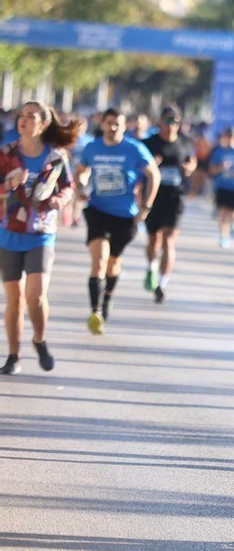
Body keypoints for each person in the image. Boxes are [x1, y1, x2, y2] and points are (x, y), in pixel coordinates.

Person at [0, 103, 83, 375]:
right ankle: (14, 356)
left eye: (31, 116)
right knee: (14, 300)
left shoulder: (56, 157)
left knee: (35, 297)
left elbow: (68, 187)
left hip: (41, 233)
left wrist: (59, 200)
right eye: (21, 116)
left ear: (43, 124)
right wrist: (8, 184)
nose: (23, 120)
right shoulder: (7, 153)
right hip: (9, 232)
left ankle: (40, 339)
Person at [75, 108, 160, 333]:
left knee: (113, 265)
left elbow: (154, 174)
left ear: (124, 127)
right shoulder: (93, 148)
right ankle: (96, 311)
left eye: (117, 124)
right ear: (102, 124)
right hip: (98, 211)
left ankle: (107, 297)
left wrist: (146, 206)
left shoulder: (134, 149)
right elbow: (81, 170)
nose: (112, 128)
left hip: (124, 215)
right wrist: (81, 186)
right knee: (99, 261)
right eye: (109, 123)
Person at [141, 106, 197, 304]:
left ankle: (162, 284)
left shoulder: (185, 142)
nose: (172, 125)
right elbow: (139, 167)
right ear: (160, 121)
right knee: (153, 241)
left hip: (175, 197)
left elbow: (193, 161)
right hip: (153, 197)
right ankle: (151, 268)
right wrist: (150, 167)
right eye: (168, 120)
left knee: (169, 241)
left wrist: (189, 167)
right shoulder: (149, 143)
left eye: (176, 121)